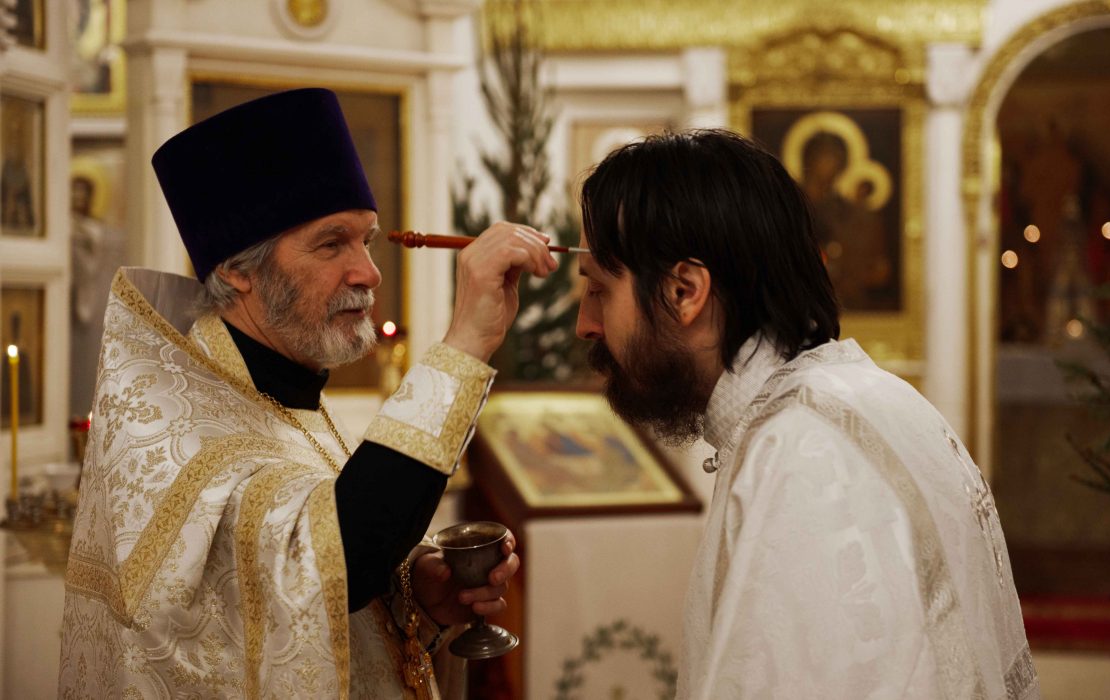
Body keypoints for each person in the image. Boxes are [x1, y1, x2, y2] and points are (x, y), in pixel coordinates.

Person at [58, 88, 558, 698]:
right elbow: (344, 560)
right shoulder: (173, 426)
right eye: (331, 243)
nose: (368, 272)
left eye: (366, 240)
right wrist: (468, 340)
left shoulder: (282, 394)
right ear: (238, 269)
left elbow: (307, 585)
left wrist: (416, 596)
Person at [575, 130, 1039, 699]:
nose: (585, 325)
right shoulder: (851, 399)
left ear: (683, 291)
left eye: (598, 291)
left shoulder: (803, 452)